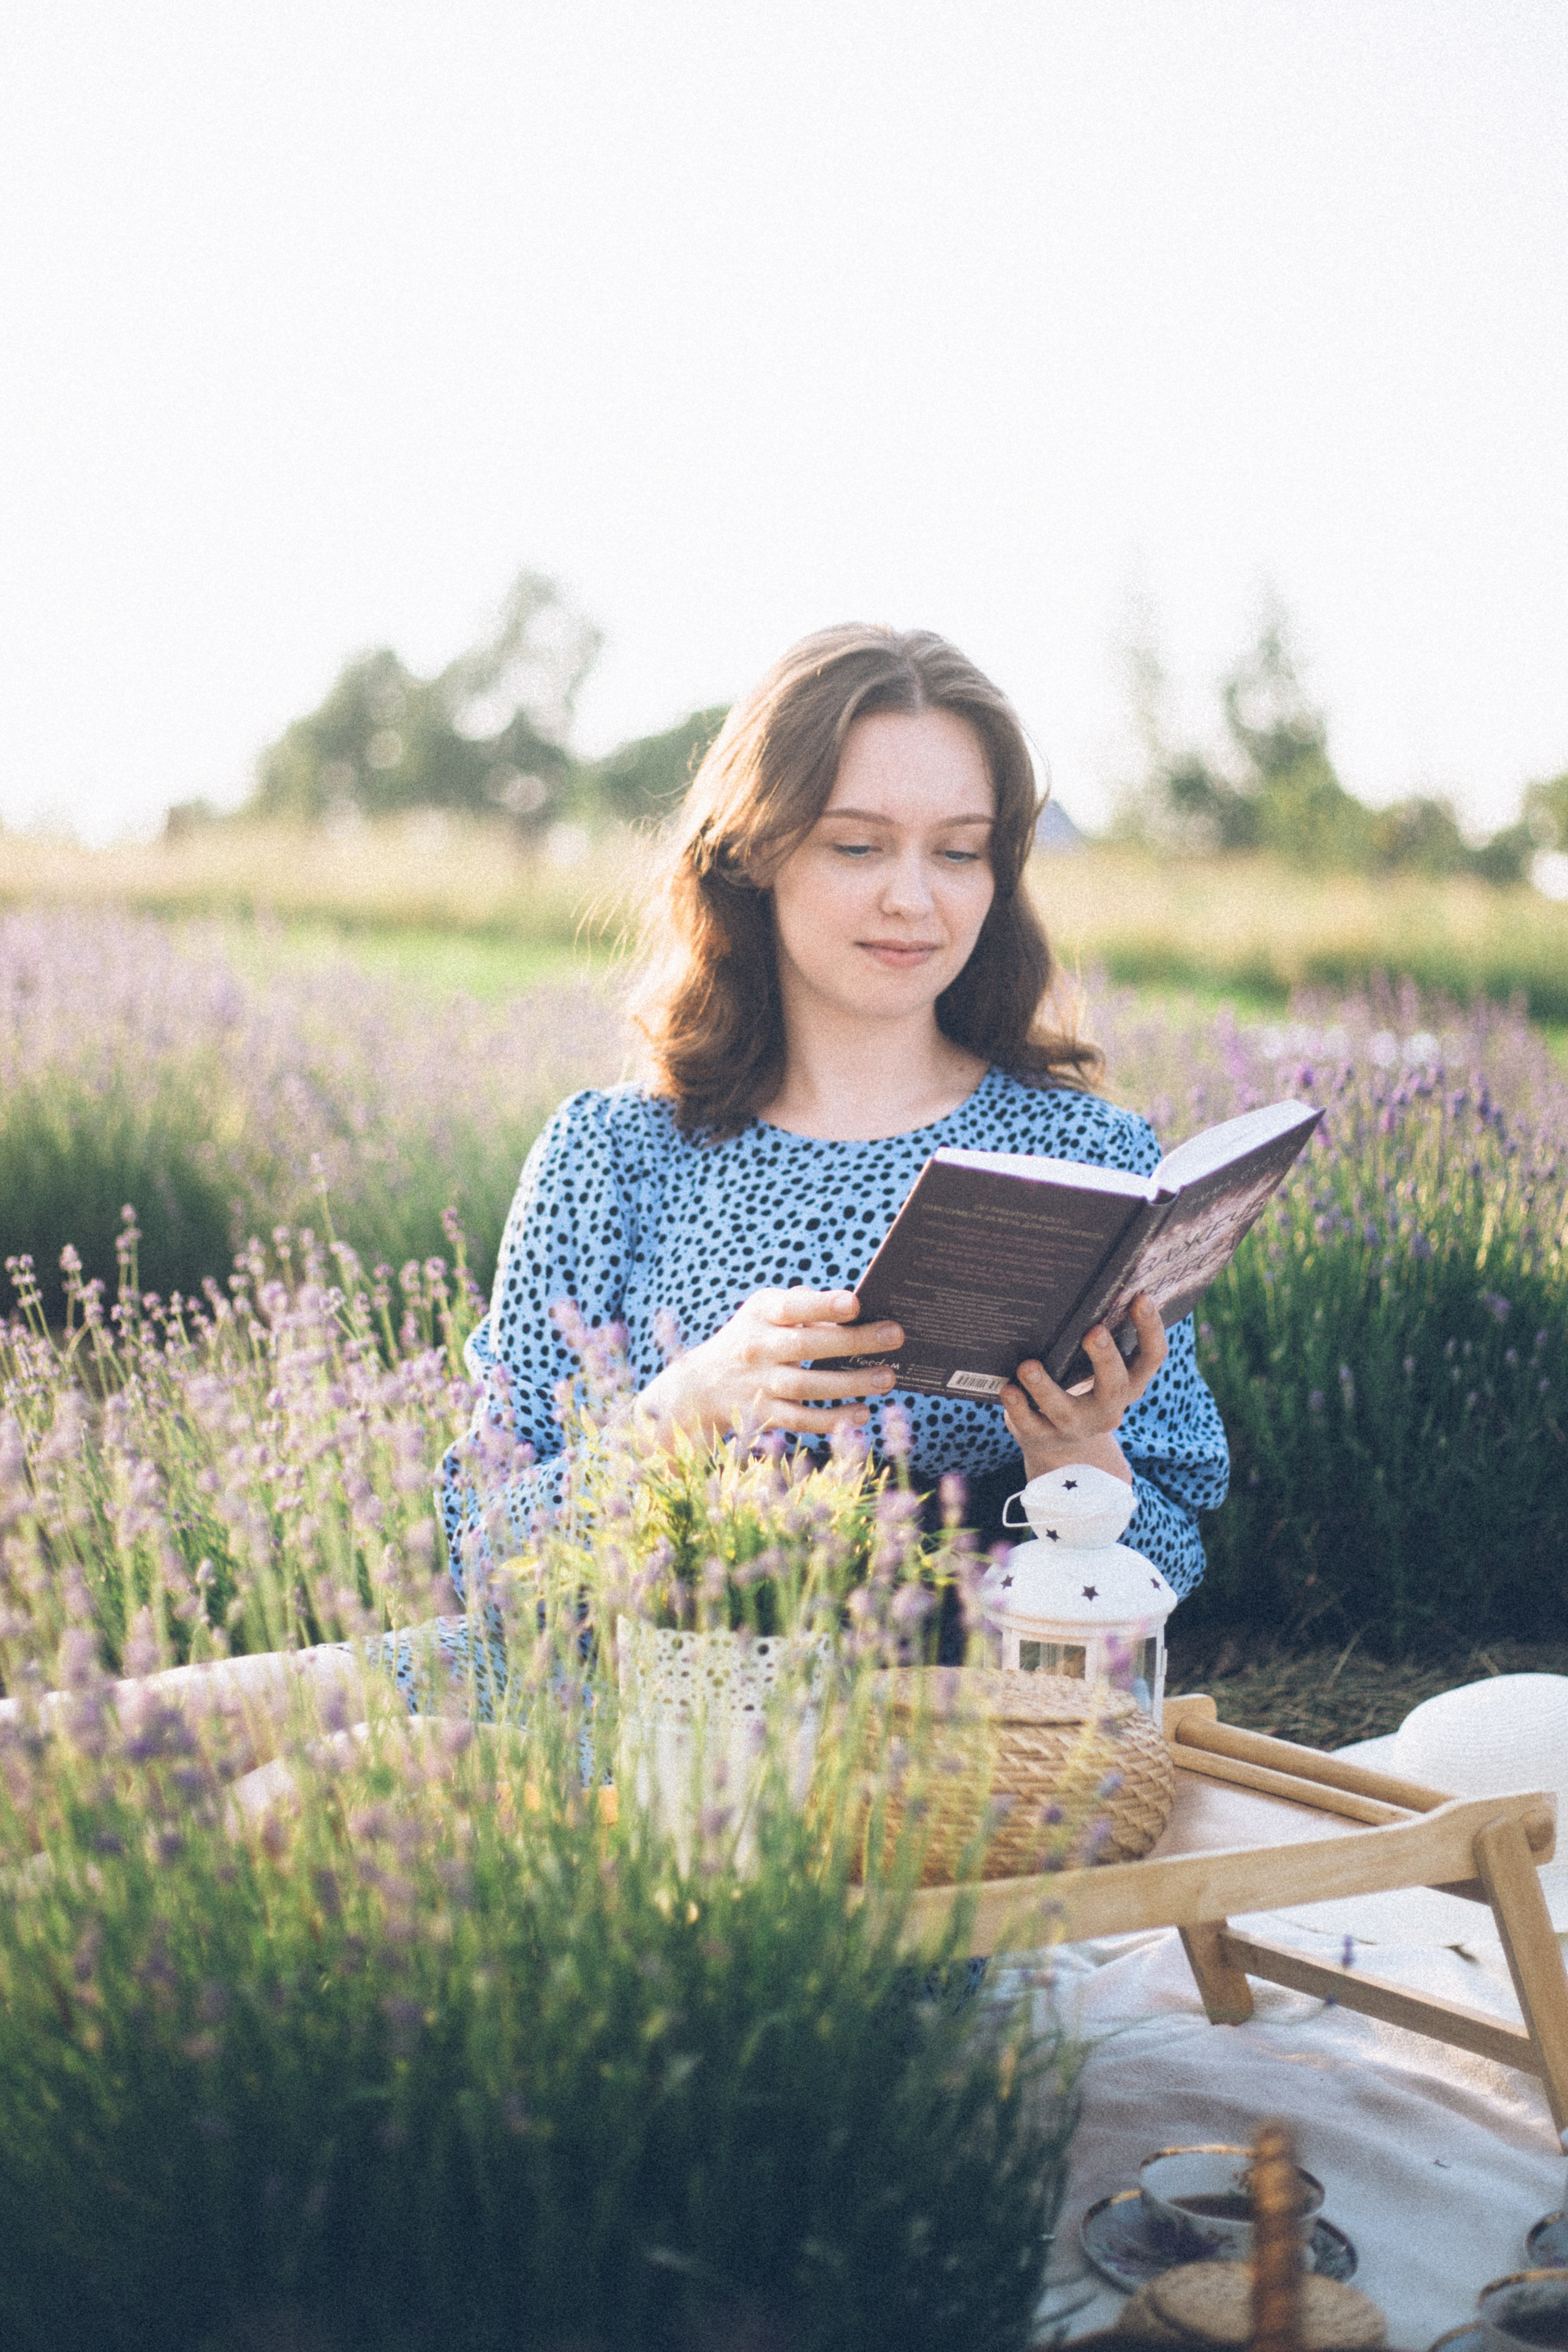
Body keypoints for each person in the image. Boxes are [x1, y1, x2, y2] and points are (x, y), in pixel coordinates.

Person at [435, 624, 1227, 1678]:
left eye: (958, 851)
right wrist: (684, 1406)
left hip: (927, 1754)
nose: (915, 897)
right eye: (858, 845)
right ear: (757, 851)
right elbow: (490, 1552)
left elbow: (1159, 1586)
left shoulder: (1083, 1157)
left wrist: (1073, 1461)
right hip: (615, 1705)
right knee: (198, 1739)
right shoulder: (609, 1155)